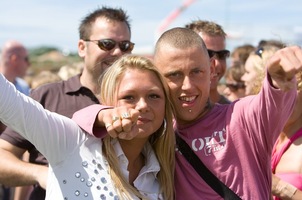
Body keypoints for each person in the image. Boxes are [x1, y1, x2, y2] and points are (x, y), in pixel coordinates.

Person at [75, 27, 302, 199]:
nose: (188, 86)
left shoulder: (242, 116)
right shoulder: (157, 134)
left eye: (196, 72)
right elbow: (79, 120)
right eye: (174, 75)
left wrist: (279, 78)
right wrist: (105, 114)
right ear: (158, 78)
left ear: (212, 70)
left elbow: (273, 98)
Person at [0, 6, 134, 200]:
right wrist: (41, 174)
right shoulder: (48, 96)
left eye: (125, 46)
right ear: (81, 47)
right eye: (107, 44)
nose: (117, 53)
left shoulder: (138, 102)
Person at [0, 54, 175, 199]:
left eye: (154, 96)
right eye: (129, 97)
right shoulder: (72, 142)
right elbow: (11, 103)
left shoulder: (164, 169)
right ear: (107, 101)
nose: (143, 105)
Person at [240, 44, 302, 199]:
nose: (282, 99)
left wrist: (279, 187)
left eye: (291, 91)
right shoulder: (267, 136)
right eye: (276, 92)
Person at [185, 20, 231, 104]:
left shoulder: (232, 112)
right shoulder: (167, 110)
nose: (216, 64)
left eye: (222, 55)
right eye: (208, 54)